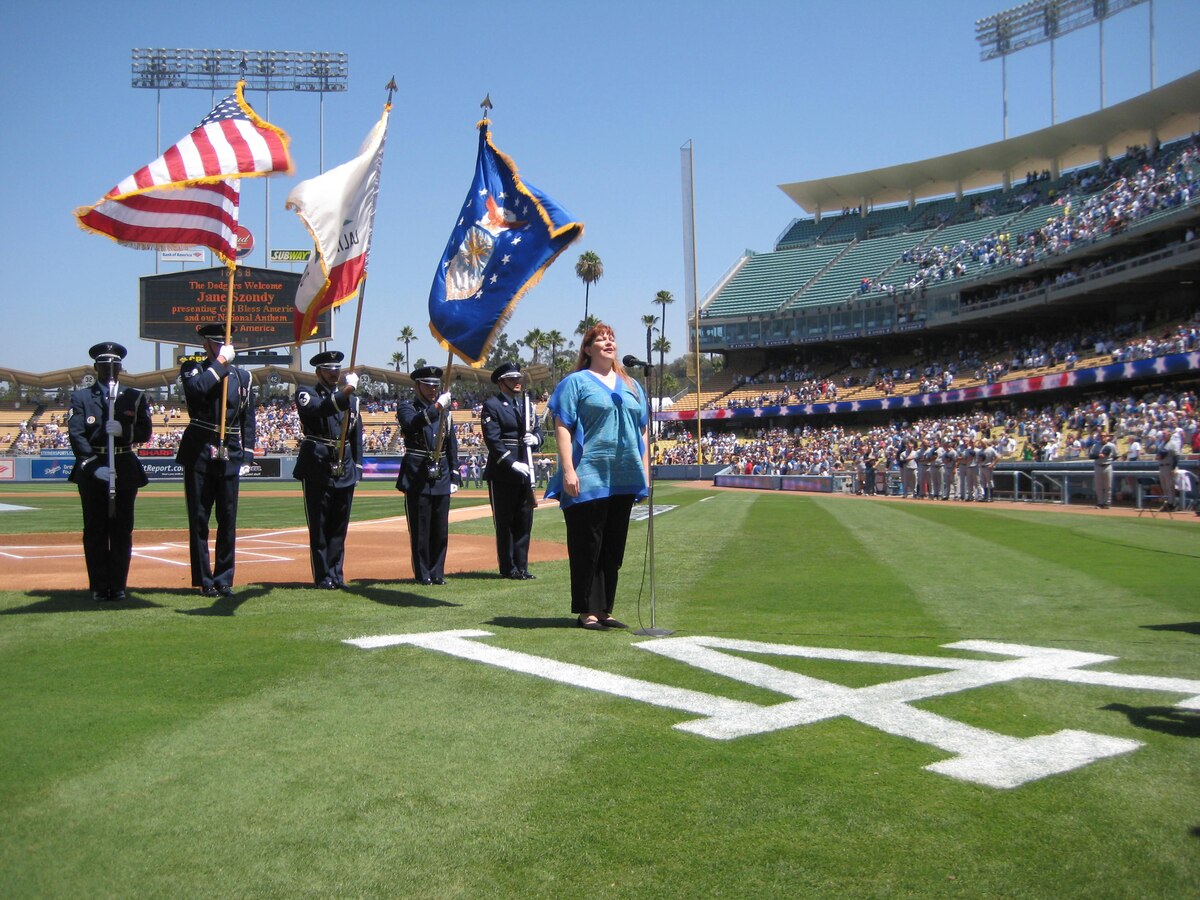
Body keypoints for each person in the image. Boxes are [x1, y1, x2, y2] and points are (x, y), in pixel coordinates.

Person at [546, 323, 649, 630]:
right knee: (587, 544)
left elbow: (642, 430)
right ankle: (586, 610)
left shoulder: (631, 385)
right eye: (601, 339)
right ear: (588, 349)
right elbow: (562, 425)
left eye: (612, 338)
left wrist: (645, 471)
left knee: (613, 546)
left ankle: (605, 609)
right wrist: (568, 469)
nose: (608, 342)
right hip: (589, 474)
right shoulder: (575, 382)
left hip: (625, 475)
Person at [67, 342, 152, 602]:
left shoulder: (134, 397)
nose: (110, 371)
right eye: (105, 366)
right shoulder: (81, 397)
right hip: (94, 467)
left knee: (121, 529)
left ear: (121, 368)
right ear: (96, 369)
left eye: (115, 366)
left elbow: (144, 432)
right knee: (95, 529)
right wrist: (92, 464)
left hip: (123, 464)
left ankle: (118, 586)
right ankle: (98, 586)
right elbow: (76, 433)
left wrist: (123, 432)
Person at [177, 323, 255, 597]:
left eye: (225, 342)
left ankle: (224, 578)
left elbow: (248, 417)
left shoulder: (242, 376)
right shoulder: (192, 368)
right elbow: (197, 390)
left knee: (228, 518)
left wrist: (247, 453)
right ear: (206, 345)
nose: (222, 345)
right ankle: (204, 579)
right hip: (200, 448)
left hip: (230, 450)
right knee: (199, 518)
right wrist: (220, 363)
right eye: (217, 342)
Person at [294, 350, 361, 589]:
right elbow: (320, 409)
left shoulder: (352, 400)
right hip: (317, 464)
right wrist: (347, 391)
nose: (334, 373)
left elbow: (356, 435)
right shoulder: (306, 392)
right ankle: (323, 576)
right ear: (318, 371)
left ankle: (336, 573)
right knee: (320, 524)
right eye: (329, 369)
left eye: (337, 369)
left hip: (344, 464)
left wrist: (358, 466)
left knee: (339, 526)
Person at [396, 365, 459, 585]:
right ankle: (423, 574)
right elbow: (413, 423)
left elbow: (451, 444)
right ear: (417, 386)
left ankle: (437, 571)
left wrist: (454, 472)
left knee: (440, 528)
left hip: (440, 472)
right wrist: (437, 407)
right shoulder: (407, 407)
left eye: (435, 385)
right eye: (428, 385)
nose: (432, 389)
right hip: (417, 472)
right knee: (421, 528)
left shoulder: (445, 412)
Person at [481, 361, 543, 580]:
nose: (517, 382)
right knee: (505, 522)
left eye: (518, 378)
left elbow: (537, 431)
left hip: (525, 470)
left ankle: (522, 566)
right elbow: (493, 439)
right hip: (503, 472)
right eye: (512, 379)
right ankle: (508, 567)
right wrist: (511, 462)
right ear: (501, 382)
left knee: (524, 520)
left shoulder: (525, 406)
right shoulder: (493, 405)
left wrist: (536, 438)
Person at [1091, 430, 1116, 509]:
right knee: (1098, 486)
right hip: (1098, 465)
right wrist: (1099, 455)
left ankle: (1107, 503)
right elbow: (1091, 455)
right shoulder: (1095, 446)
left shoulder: (1111, 445)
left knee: (1108, 486)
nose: (1102, 437)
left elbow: (1116, 455)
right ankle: (1100, 502)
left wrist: (1109, 460)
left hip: (1107, 466)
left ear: (1107, 437)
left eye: (1104, 436)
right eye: (1101, 436)